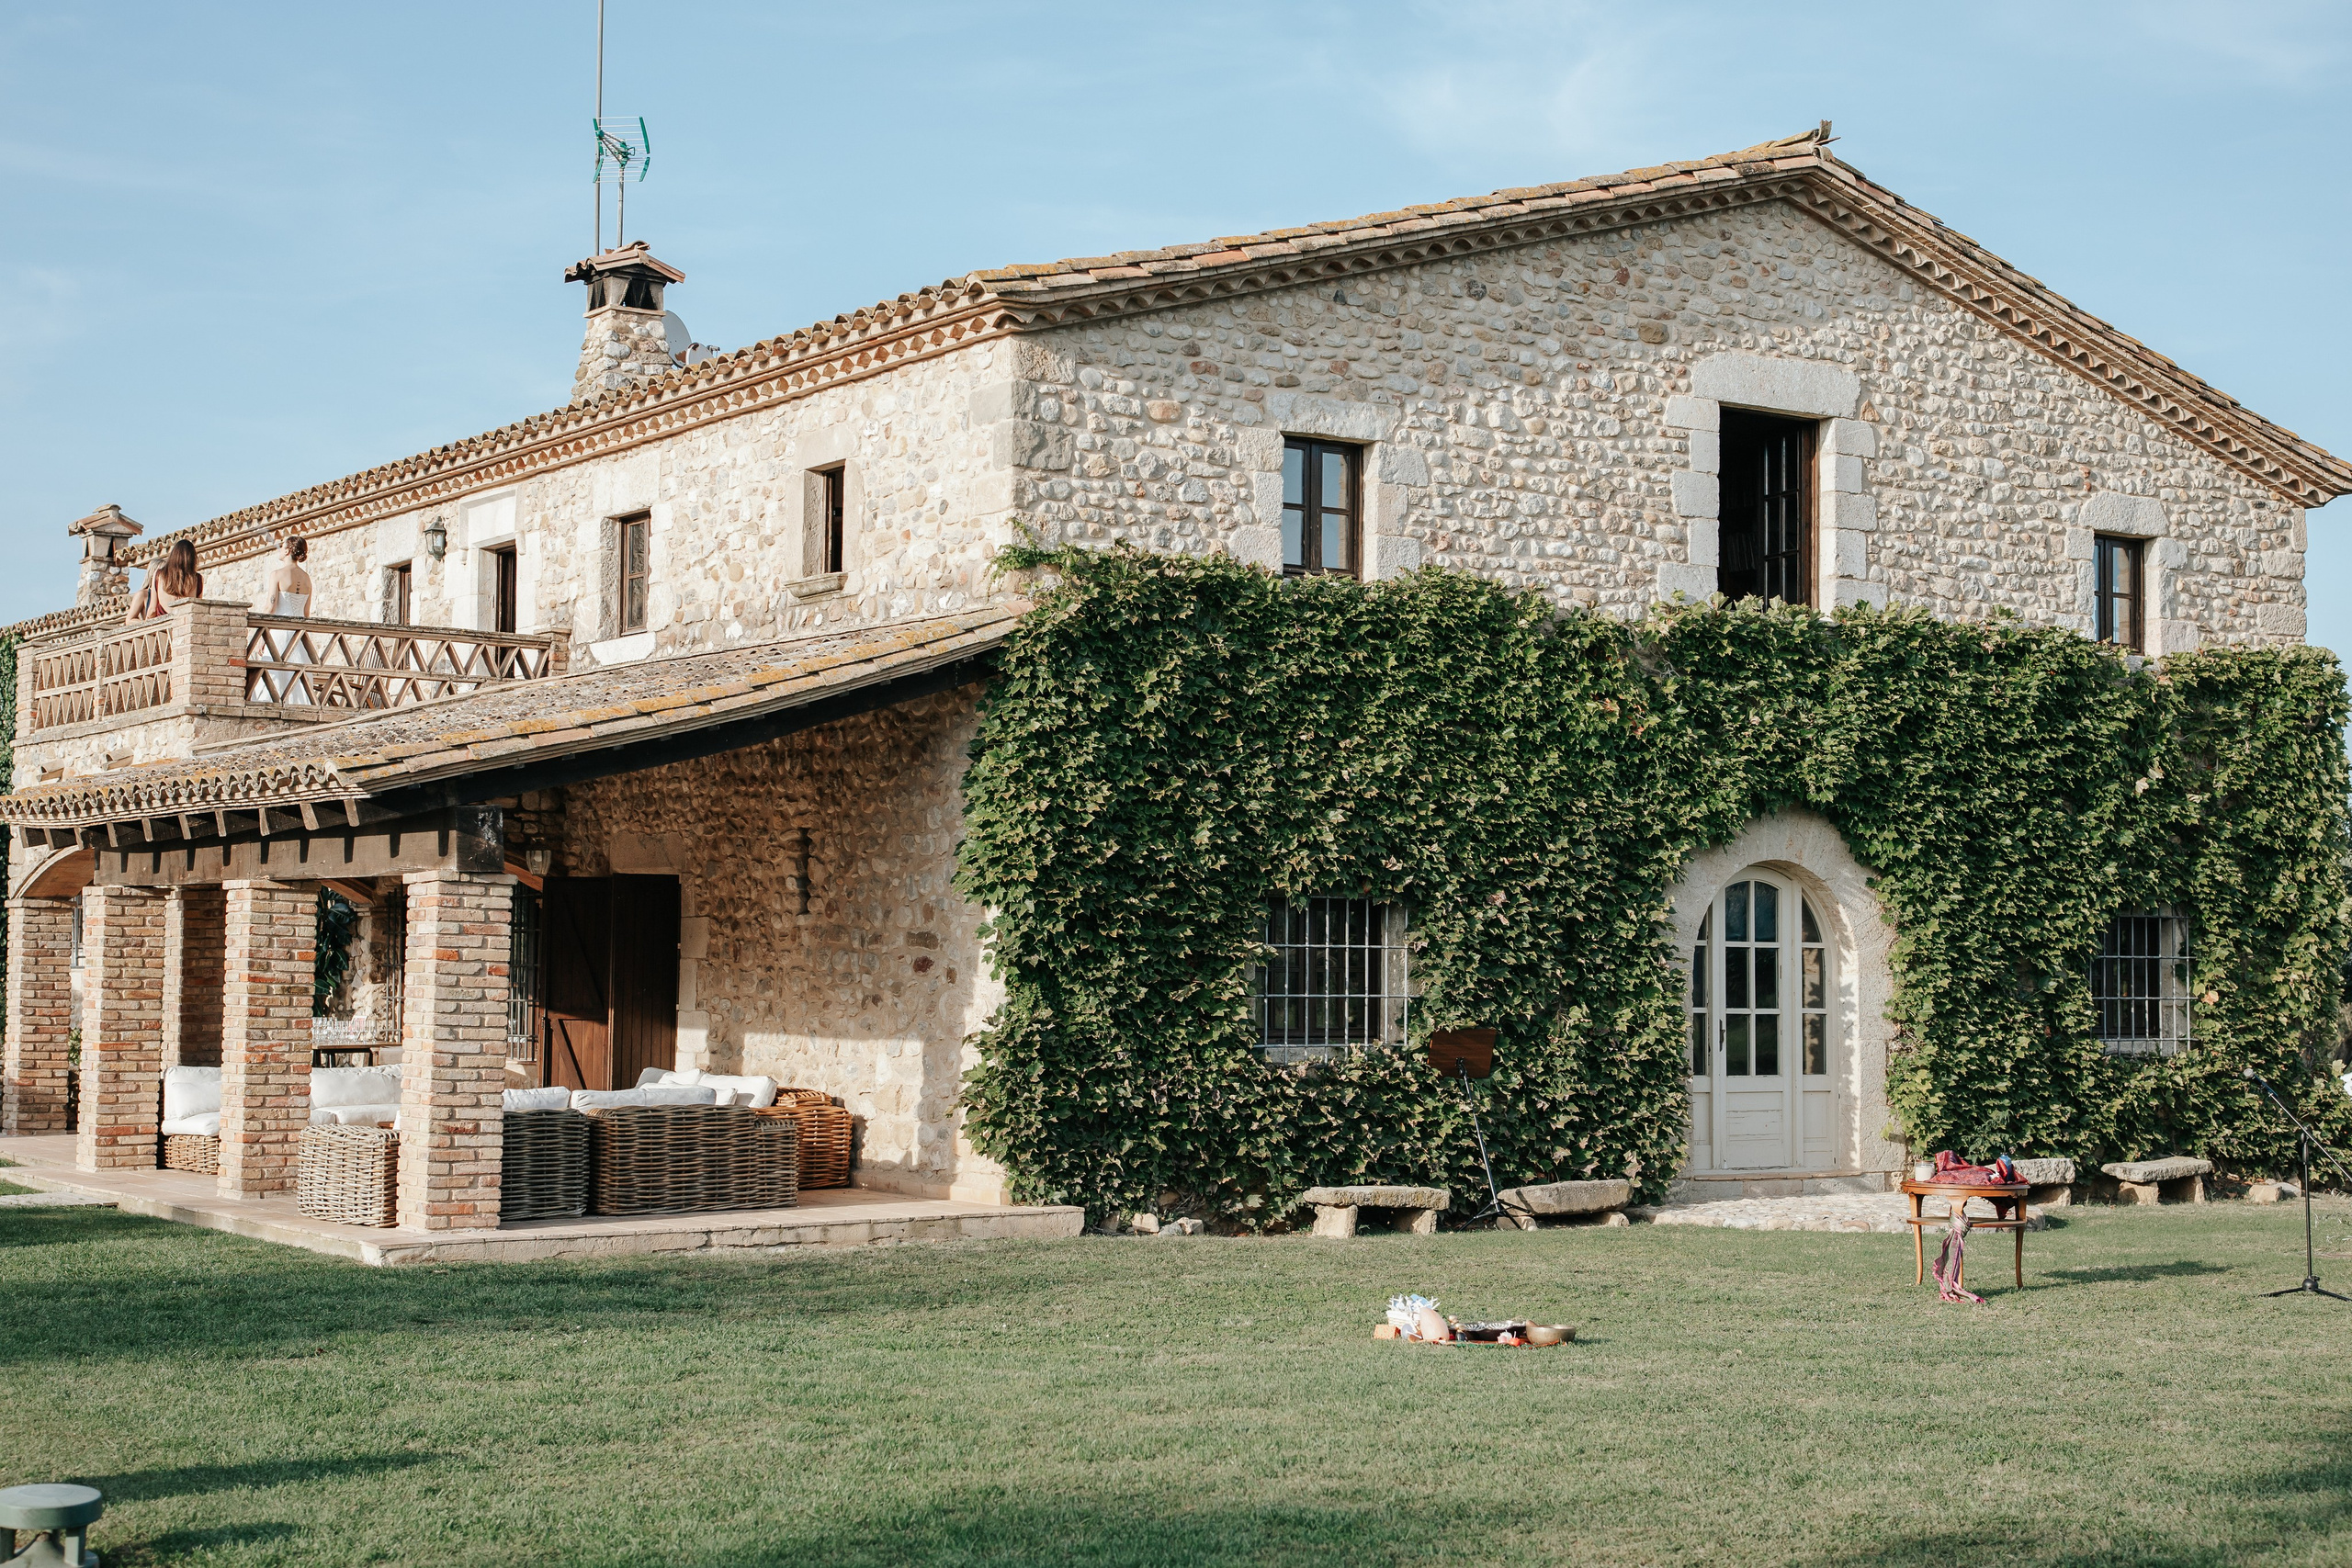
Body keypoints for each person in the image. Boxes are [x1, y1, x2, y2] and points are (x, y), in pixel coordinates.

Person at [125, 539, 203, 624]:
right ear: (192, 558)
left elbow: (153, 610)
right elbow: (197, 608)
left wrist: (148, 624)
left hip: (165, 629)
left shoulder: (159, 575)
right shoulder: (198, 579)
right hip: (185, 625)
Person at [250, 535, 313, 616]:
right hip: (300, 628)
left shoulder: (277, 574)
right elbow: (306, 613)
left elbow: (270, 607)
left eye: (282, 547)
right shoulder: (307, 578)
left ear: (287, 551)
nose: (280, 550)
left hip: (281, 627)